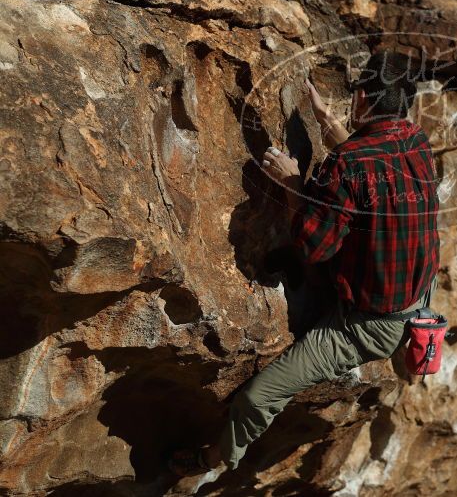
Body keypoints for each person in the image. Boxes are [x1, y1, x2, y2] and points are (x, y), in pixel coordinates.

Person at [169, 51, 439, 475]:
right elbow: (372, 172)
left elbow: (315, 246)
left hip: (368, 323)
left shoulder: (348, 164)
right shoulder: (416, 142)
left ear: (363, 99)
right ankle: (408, 348)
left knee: (259, 397)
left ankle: (209, 459)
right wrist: (328, 122)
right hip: (417, 288)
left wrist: (293, 183)